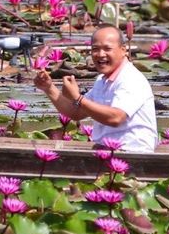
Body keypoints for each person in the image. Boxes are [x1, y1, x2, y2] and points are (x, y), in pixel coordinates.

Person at [33, 24, 157, 152]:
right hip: (106, 151)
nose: (100, 54)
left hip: (132, 154)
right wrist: (49, 88)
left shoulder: (131, 79)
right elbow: (76, 112)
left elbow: (116, 118)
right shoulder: (102, 80)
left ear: (123, 50)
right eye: (95, 49)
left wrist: (78, 98)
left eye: (107, 49)